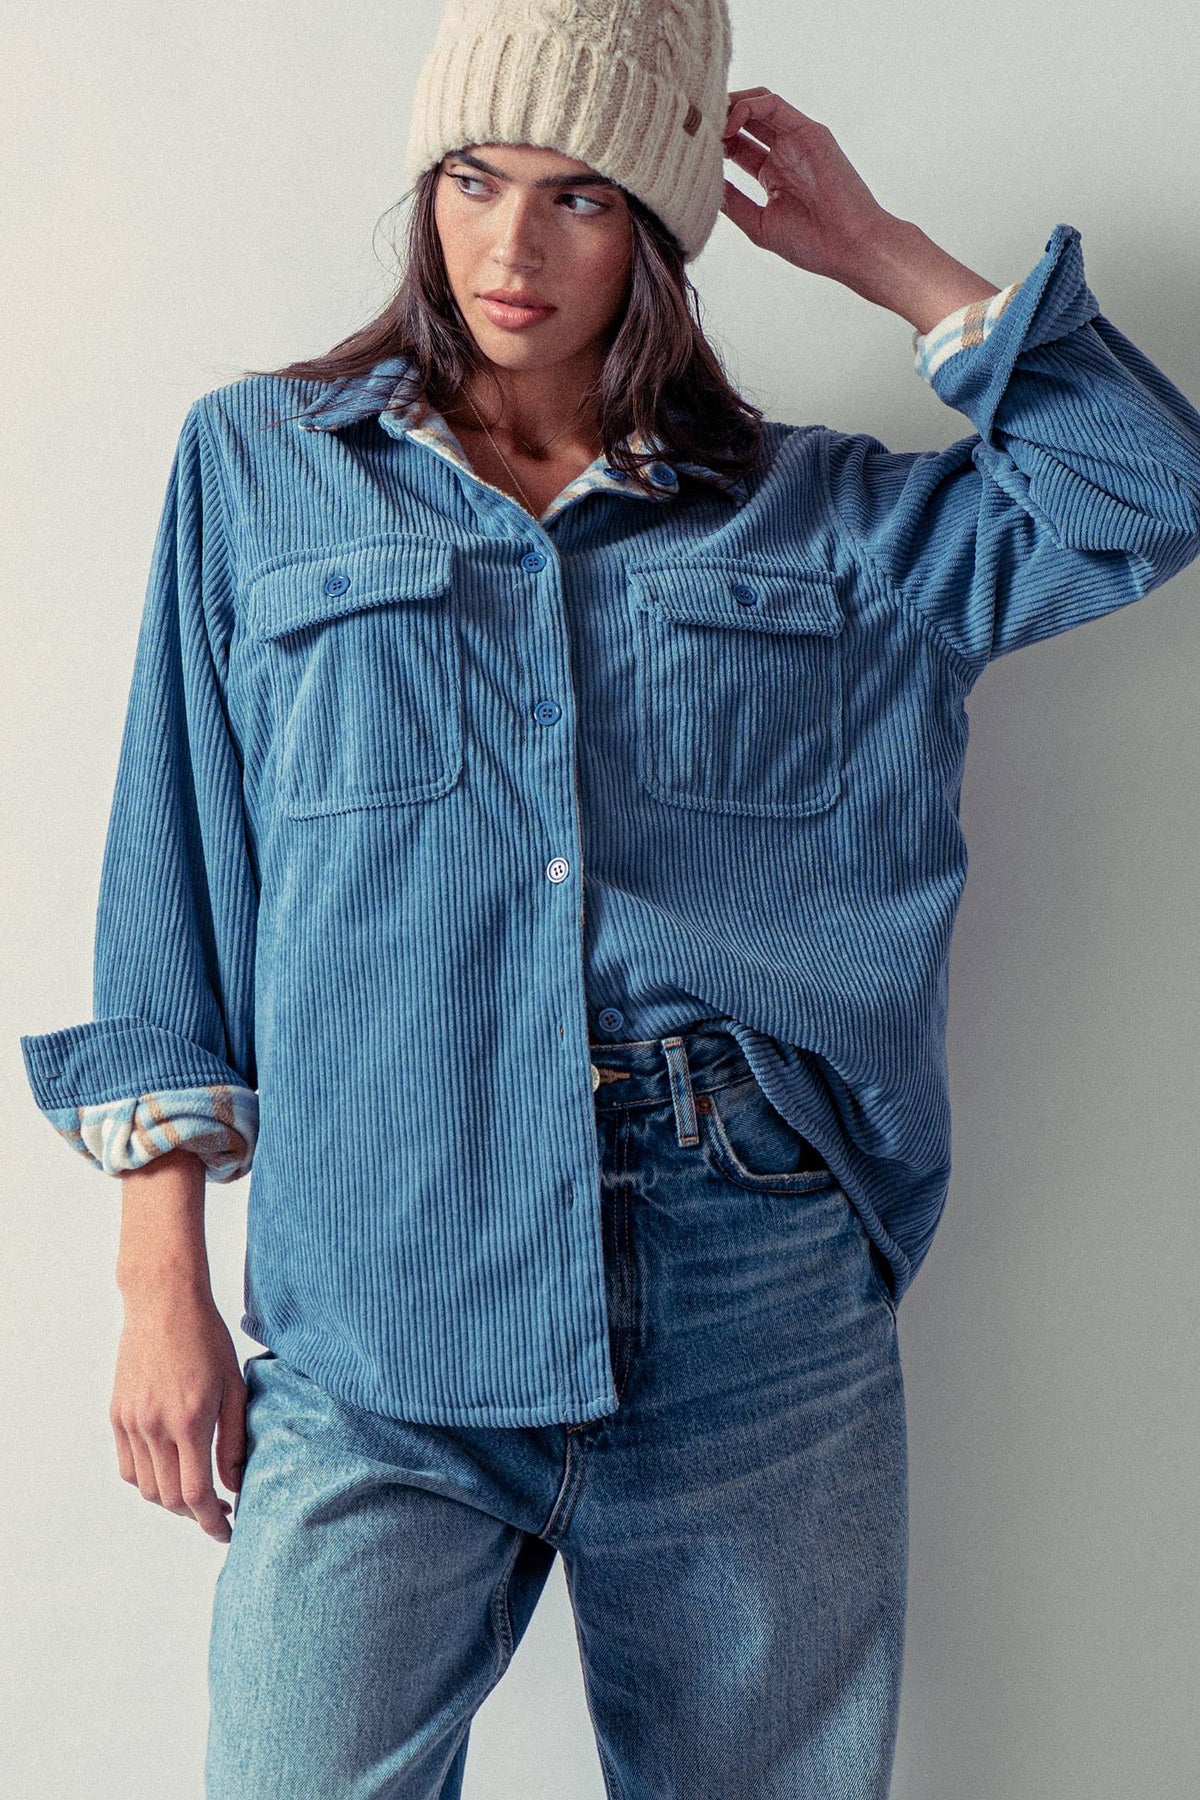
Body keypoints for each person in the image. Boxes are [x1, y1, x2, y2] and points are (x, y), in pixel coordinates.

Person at [18, 0, 1200, 1795]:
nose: (511, 247)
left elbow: (1140, 493)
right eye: (473, 180)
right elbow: (174, 865)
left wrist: (879, 252)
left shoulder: (826, 520)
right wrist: (154, 1281)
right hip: (383, 1269)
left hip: (748, 1279)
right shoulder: (261, 467)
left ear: (657, 229)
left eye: (580, 195)